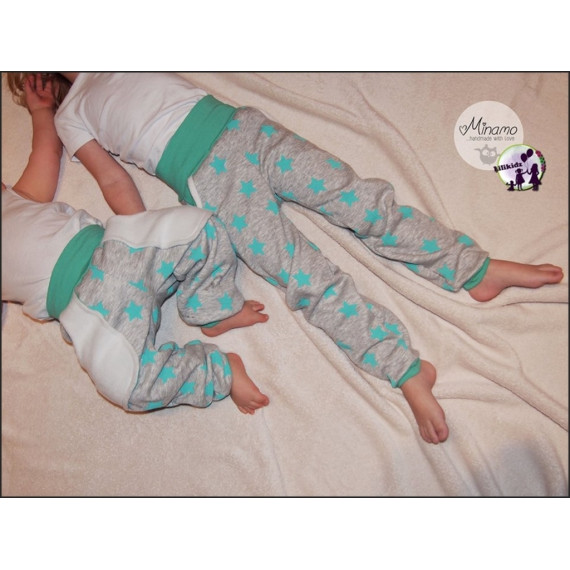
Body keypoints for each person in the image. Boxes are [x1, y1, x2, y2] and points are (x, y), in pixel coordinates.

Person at [7, 73, 564, 444]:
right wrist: (141, 239)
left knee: (361, 200)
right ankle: (404, 368)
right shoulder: (71, 115)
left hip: (247, 129)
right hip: (209, 182)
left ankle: (472, 269)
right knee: (305, 276)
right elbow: (111, 179)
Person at [2, 74, 270, 415]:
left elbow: (45, 152)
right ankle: (220, 372)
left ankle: (212, 308)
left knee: (202, 226)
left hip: (119, 251)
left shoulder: (16, 199)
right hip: (87, 313)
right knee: (127, 386)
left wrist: (41, 112)